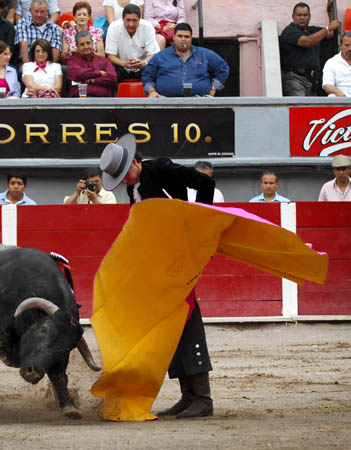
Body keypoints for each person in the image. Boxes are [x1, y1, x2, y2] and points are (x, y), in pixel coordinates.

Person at [98, 134, 215, 419]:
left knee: (187, 321)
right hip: (157, 264)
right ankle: (188, 397)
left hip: (178, 259)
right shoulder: (133, 187)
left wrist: (198, 224)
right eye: (120, 178)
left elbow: (206, 183)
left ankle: (202, 397)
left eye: (126, 174)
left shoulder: (160, 168)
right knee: (170, 326)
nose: (125, 181)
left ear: (135, 161)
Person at [142, 22, 229, 97]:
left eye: (187, 37)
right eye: (180, 36)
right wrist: (152, 91)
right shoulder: (160, 56)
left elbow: (223, 68)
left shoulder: (204, 54)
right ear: (173, 37)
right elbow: (147, 76)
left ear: (191, 39)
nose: (183, 39)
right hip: (166, 102)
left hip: (200, 101)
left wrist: (214, 88)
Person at [279, 1, 340, 96]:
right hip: (295, 78)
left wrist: (330, 12)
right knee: (300, 107)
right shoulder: (289, 31)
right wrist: (328, 28)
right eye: (299, 15)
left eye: (305, 15)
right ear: (293, 16)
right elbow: (307, 41)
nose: (302, 17)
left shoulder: (312, 30)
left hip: (312, 80)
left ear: (309, 17)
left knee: (310, 109)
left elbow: (331, 34)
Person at [105, 4, 159, 81]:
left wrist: (144, 62)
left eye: (134, 20)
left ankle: (151, 92)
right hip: (120, 66)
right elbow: (111, 56)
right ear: (123, 19)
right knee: (110, 71)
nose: (131, 24)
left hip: (143, 67)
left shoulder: (148, 27)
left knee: (156, 68)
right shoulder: (114, 27)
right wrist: (124, 64)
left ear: (139, 19)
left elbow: (153, 53)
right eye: (128, 20)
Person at [66, 30, 117, 97]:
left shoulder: (104, 61)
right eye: (82, 44)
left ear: (92, 43)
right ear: (77, 46)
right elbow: (78, 74)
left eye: (88, 43)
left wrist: (92, 80)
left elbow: (113, 78)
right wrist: (99, 73)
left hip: (102, 100)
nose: (86, 47)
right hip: (79, 101)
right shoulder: (72, 60)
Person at [15, 0, 62, 64]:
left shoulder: (54, 28)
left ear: (46, 12)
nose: (39, 15)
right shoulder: (23, 23)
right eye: (36, 11)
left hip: (48, 65)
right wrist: (27, 67)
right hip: (28, 62)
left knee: (64, 70)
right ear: (30, 11)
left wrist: (50, 69)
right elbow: (23, 45)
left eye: (42, 12)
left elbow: (56, 51)